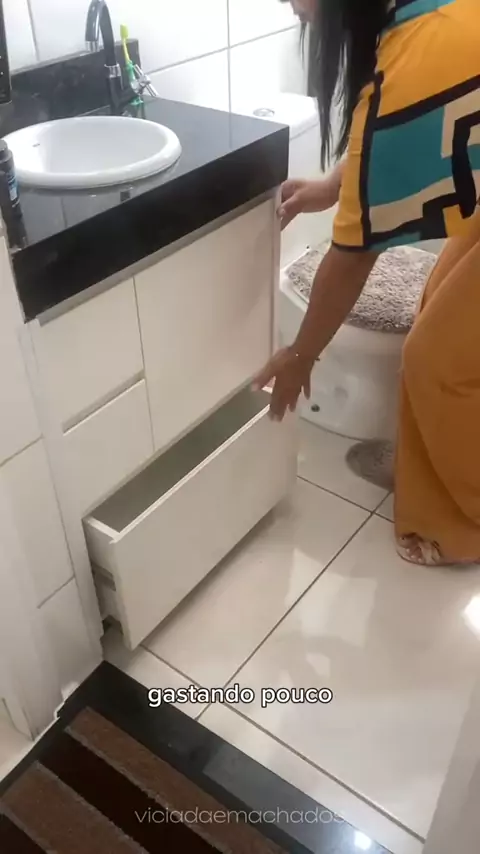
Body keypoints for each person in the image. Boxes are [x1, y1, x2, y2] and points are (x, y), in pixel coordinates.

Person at [255, 0, 480, 566]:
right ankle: (438, 480)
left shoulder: (411, 66)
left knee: (436, 360)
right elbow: (389, 139)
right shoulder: (415, 20)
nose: (289, 4)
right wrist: (332, 187)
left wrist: (300, 355)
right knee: (435, 309)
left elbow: (353, 256)